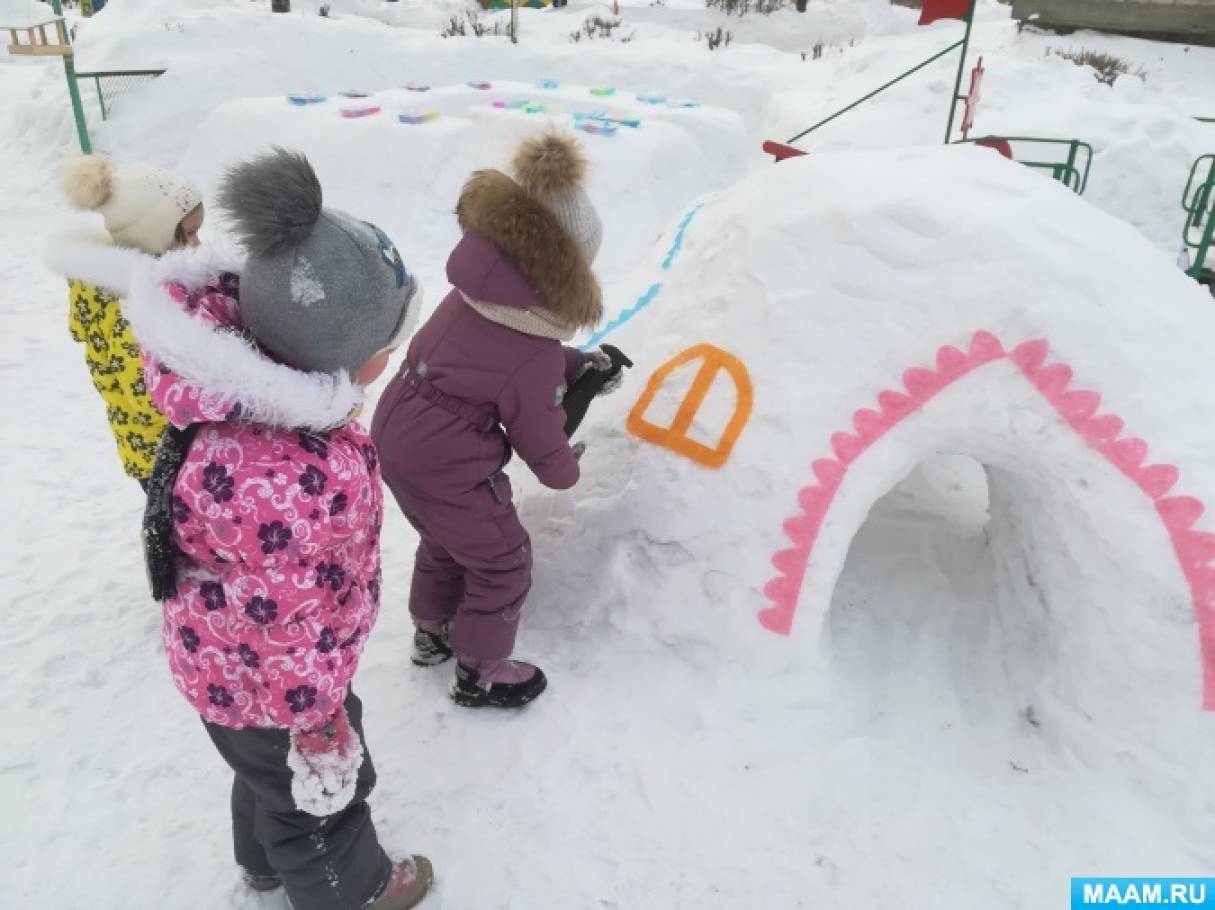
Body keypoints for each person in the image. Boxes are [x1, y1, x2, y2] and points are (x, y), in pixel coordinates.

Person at [123, 148, 431, 910]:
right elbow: (282, 618)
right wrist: (315, 712)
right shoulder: (289, 476)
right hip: (279, 682)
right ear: (344, 356)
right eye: (387, 346)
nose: (392, 357)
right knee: (318, 795)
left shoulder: (255, 403)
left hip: (229, 669)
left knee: (261, 774)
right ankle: (352, 891)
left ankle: (261, 863)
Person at [371, 130, 620, 709]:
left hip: (398, 435)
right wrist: (564, 474)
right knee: (504, 562)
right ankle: (481, 672)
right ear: (559, 275)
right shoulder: (529, 352)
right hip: (447, 461)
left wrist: (577, 362)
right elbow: (537, 430)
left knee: (446, 540)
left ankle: (431, 634)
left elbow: (496, 361)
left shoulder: (472, 299)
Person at [45, 156, 205, 487]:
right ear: (152, 234)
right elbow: (146, 399)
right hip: (162, 456)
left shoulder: (109, 281)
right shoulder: (130, 309)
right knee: (181, 534)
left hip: (157, 449)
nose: (197, 244)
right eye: (189, 234)